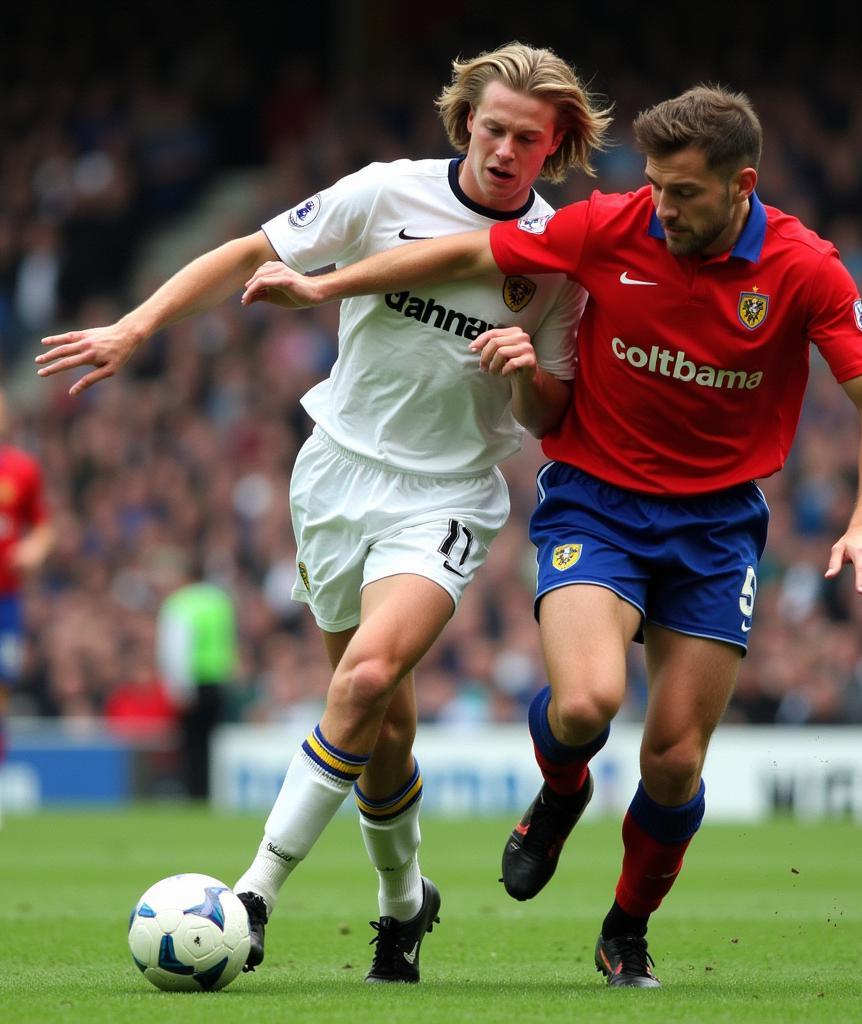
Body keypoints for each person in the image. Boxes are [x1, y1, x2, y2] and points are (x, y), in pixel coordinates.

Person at [231, 83, 862, 988]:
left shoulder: (805, 267)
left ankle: (624, 928)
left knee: (671, 761)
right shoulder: (610, 224)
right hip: (597, 502)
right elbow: (467, 249)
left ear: (742, 185)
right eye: (657, 186)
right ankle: (561, 790)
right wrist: (323, 286)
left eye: (686, 194)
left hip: (716, 524)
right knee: (586, 705)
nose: (662, 208)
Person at [37, 43, 611, 982]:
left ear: (554, 149)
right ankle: (403, 903)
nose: (508, 148)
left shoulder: (553, 258)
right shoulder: (385, 194)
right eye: (495, 127)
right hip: (338, 477)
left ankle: (252, 896)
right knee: (381, 724)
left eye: (530, 138)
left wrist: (526, 374)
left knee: (364, 679)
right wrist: (137, 326)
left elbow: (551, 414)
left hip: (449, 493)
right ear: (467, 120)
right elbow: (246, 252)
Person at [0, 387, 54, 820]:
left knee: (2, 688)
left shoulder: (21, 469)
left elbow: (43, 527)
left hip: (6, 601)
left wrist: (35, 548)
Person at [155, 559, 239, 799]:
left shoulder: (180, 604)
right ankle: (214, 795)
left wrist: (179, 688)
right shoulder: (219, 601)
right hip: (219, 681)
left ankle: (196, 795)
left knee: (193, 746)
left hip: (194, 681)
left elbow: (175, 650)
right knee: (213, 744)